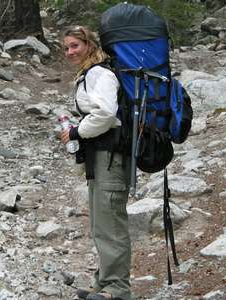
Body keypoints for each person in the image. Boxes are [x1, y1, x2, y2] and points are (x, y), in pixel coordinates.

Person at [61, 26, 133, 300]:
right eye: (66, 47)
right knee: (101, 223)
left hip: (110, 157)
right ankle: (104, 282)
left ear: (89, 44)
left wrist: (78, 131)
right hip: (100, 157)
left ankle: (118, 289)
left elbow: (105, 114)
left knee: (111, 222)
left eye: (75, 46)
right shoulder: (90, 74)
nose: (70, 52)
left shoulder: (100, 74)